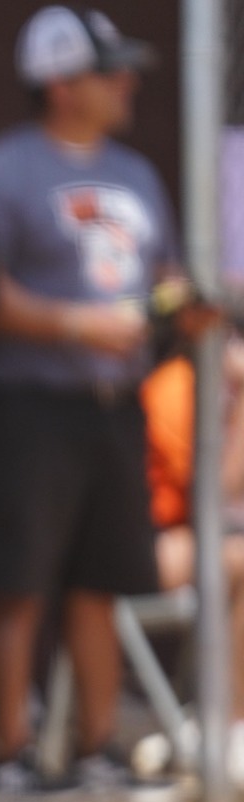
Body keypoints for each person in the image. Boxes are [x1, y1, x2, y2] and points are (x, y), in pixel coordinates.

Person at [0, 6, 214, 800]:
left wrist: (183, 308)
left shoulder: (136, 174)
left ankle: (98, 748)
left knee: (100, 582)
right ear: (62, 85)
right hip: (26, 402)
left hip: (114, 404)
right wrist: (77, 323)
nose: (128, 83)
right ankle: (12, 755)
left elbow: (163, 276)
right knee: (17, 581)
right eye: (111, 72)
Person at [144, 331, 244, 775]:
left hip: (209, 539)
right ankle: (231, 730)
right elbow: (212, 499)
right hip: (154, 542)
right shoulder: (175, 386)